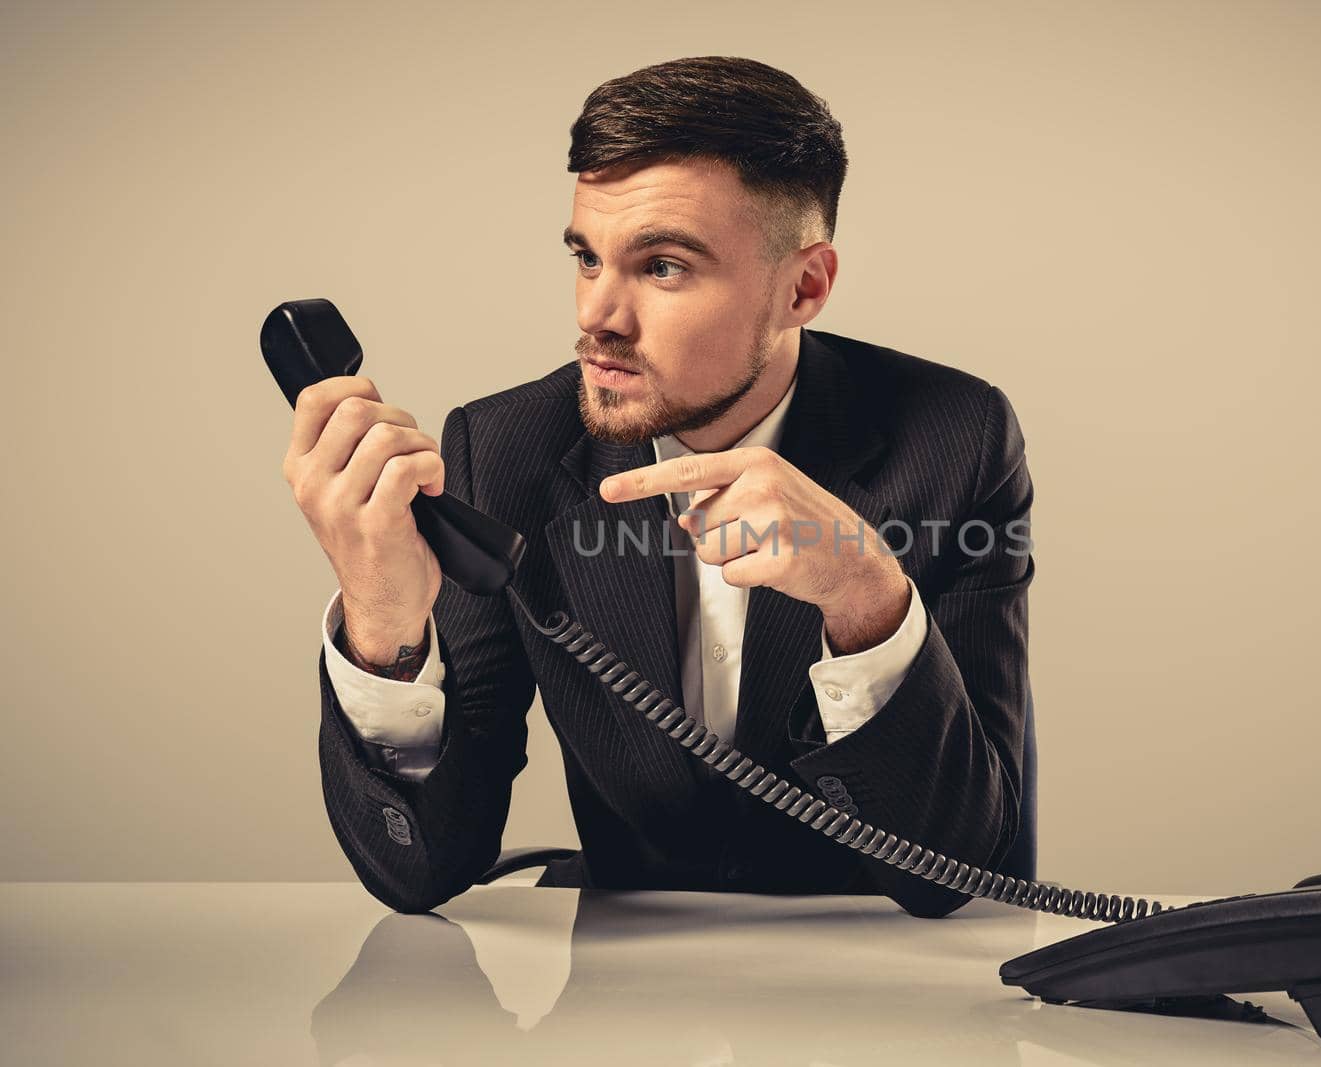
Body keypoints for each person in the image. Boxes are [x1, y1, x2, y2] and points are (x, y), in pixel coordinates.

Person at [282, 55, 1034, 917]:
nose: (596, 316)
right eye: (587, 258)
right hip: (622, 1014)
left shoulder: (956, 437)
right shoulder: (502, 451)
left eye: (663, 266)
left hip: (883, 1001)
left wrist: (866, 601)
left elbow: (962, 869)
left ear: (805, 286)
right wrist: (383, 625)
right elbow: (420, 870)